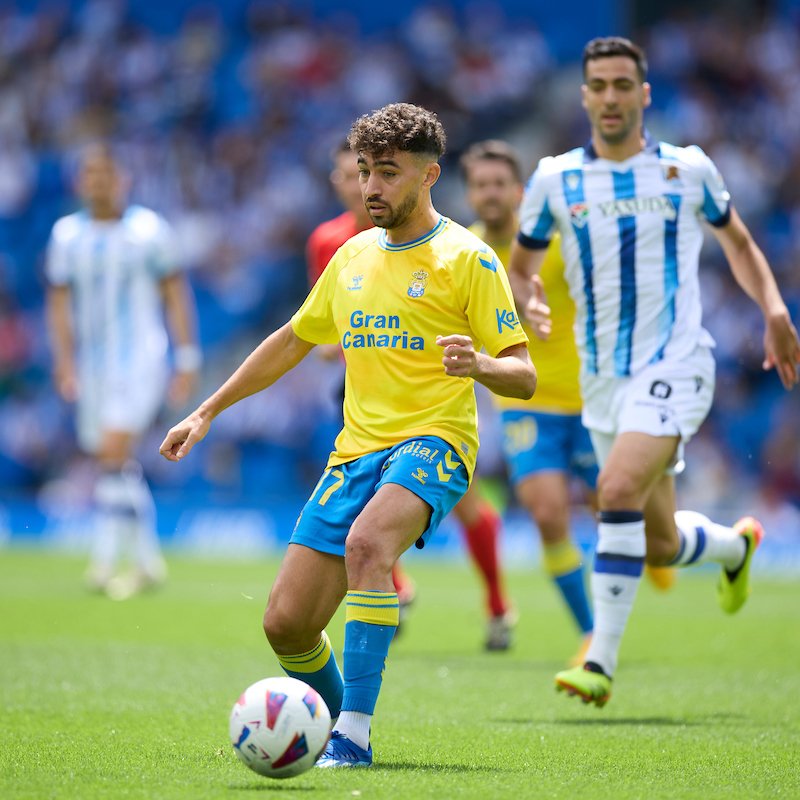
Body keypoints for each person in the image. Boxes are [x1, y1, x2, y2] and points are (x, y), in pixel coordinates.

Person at [160, 103, 536, 768]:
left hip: (436, 443)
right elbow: (290, 341)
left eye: (387, 173)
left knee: (369, 546)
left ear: (428, 176)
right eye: (364, 171)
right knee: (287, 624)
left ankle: (352, 738)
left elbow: (523, 374)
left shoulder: (467, 259)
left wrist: (480, 364)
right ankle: (334, 723)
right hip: (355, 451)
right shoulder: (351, 256)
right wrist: (207, 410)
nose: (370, 187)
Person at [509, 36, 800, 707]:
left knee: (612, 490)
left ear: (643, 95)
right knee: (659, 542)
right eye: (598, 86)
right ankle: (734, 549)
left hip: (677, 362)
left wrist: (774, 308)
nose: (610, 97)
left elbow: (739, 243)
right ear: (583, 97)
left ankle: (599, 662)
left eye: (622, 85)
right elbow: (521, 268)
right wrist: (529, 300)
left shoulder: (685, 169)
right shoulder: (555, 179)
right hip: (603, 380)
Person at [460, 140, 677, 665]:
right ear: (469, 193)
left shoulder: (556, 242)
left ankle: (665, 540)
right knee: (547, 512)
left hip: (592, 398)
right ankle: (591, 634)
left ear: (518, 192)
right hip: (524, 401)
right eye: (480, 185)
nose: (489, 194)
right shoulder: (465, 250)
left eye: (498, 184)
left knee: (635, 521)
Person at [309, 139, 516, 651]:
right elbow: (318, 327)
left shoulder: (453, 251)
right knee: (372, 507)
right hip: (363, 385)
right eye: (354, 175)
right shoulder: (333, 243)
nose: (365, 187)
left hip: (431, 399)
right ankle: (394, 587)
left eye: (382, 173)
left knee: (462, 506)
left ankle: (495, 605)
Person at [46, 143, 200, 599]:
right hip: (93, 364)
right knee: (111, 461)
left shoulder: (149, 230)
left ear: (123, 180)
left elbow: (175, 293)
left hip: (140, 358)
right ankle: (148, 561)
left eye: (107, 174)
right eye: (90, 174)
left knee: (114, 450)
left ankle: (104, 561)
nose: (99, 182)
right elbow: (58, 303)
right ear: (80, 182)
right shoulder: (65, 235)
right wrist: (64, 361)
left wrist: (186, 356)